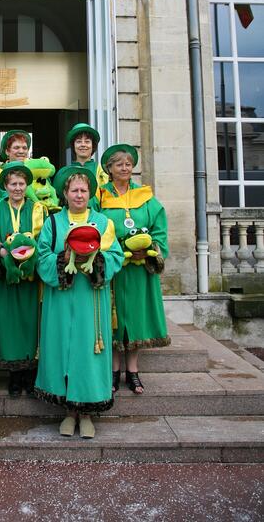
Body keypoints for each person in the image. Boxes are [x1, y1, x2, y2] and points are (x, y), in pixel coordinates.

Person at [35, 166, 123, 439]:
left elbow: (116, 256)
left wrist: (95, 260)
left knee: (87, 353)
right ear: (65, 193)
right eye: (74, 190)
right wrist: (64, 261)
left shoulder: (103, 223)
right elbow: (41, 257)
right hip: (60, 300)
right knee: (63, 350)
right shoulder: (52, 223)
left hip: (91, 300)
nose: (79, 195)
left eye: (84, 190)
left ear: (90, 193)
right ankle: (68, 412)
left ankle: (86, 414)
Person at [98, 143, 170, 395]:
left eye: (128, 164)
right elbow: (93, 227)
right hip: (114, 271)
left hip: (140, 270)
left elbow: (160, 229)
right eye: (119, 164)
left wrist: (150, 250)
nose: (125, 168)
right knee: (114, 318)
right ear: (109, 168)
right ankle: (113, 371)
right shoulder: (99, 197)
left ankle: (133, 371)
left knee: (136, 319)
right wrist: (115, 250)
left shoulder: (145, 196)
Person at [0, 161, 45, 396]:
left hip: (30, 281)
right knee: (10, 328)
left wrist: (31, 256)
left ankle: (30, 376)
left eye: (21, 184)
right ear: (6, 186)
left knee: (30, 326)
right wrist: (1, 252)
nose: (17, 188)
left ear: (27, 186)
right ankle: (14, 378)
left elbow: (44, 239)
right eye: (13, 184)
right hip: (6, 281)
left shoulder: (37, 209)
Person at [0, 129, 31, 213]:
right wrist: (12, 201)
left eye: (24, 148)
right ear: (7, 151)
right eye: (16, 148)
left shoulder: (36, 171)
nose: (21, 151)